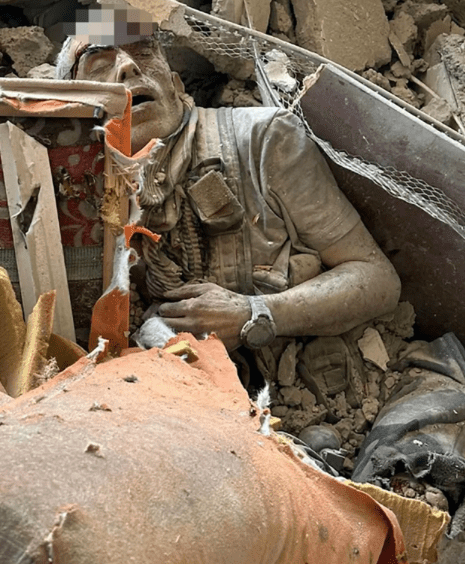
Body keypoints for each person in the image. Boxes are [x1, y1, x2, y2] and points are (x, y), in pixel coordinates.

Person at [57, 24, 401, 354]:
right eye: (100, 63)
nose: (128, 67)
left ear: (177, 84)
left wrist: (252, 312)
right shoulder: (66, 191)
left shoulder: (264, 140)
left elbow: (377, 279)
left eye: (144, 52)